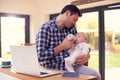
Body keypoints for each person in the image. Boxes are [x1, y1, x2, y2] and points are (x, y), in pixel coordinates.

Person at [36, 4, 101, 80]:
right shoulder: (46, 28)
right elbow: (40, 56)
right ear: (67, 13)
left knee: (96, 75)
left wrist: (86, 56)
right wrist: (62, 46)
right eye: (74, 19)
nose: (75, 23)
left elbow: (81, 45)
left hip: (73, 68)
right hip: (54, 71)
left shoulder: (71, 28)